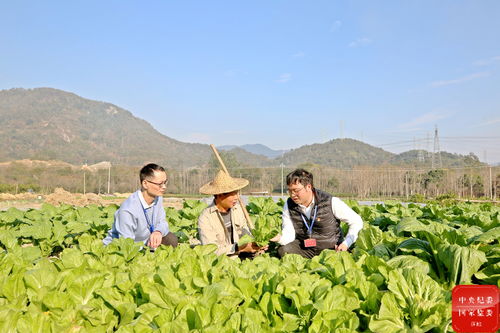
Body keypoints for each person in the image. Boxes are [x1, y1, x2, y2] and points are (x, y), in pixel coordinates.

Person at [270, 168, 363, 259]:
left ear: (308, 187)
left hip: (330, 249)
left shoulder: (330, 201)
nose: (292, 195)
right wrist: (279, 238)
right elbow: (289, 234)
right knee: (283, 250)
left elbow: (356, 221)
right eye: (290, 191)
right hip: (305, 248)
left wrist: (346, 243)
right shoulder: (289, 204)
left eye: (296, 190)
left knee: (336, 259)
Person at [103, 163, 178, 249]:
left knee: (171, 239)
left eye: (165, 182)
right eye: (160, 184)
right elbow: (126, 243)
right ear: (145, 184)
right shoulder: (128, 210)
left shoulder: (158, 198)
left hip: (146, 242)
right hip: (120, 249)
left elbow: (163, 222)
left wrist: (158, 231)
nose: (164, 187)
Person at [198, 170, 261, 257]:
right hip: (222, 260)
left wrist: (256, 244)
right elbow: (211, 251)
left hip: (242, 255)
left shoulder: (238, 210)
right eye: (232, 195)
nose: (236, 198)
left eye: (237, 193)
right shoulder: (206, 217)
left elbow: (246, 234)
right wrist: (238, 248)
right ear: (219, 195)